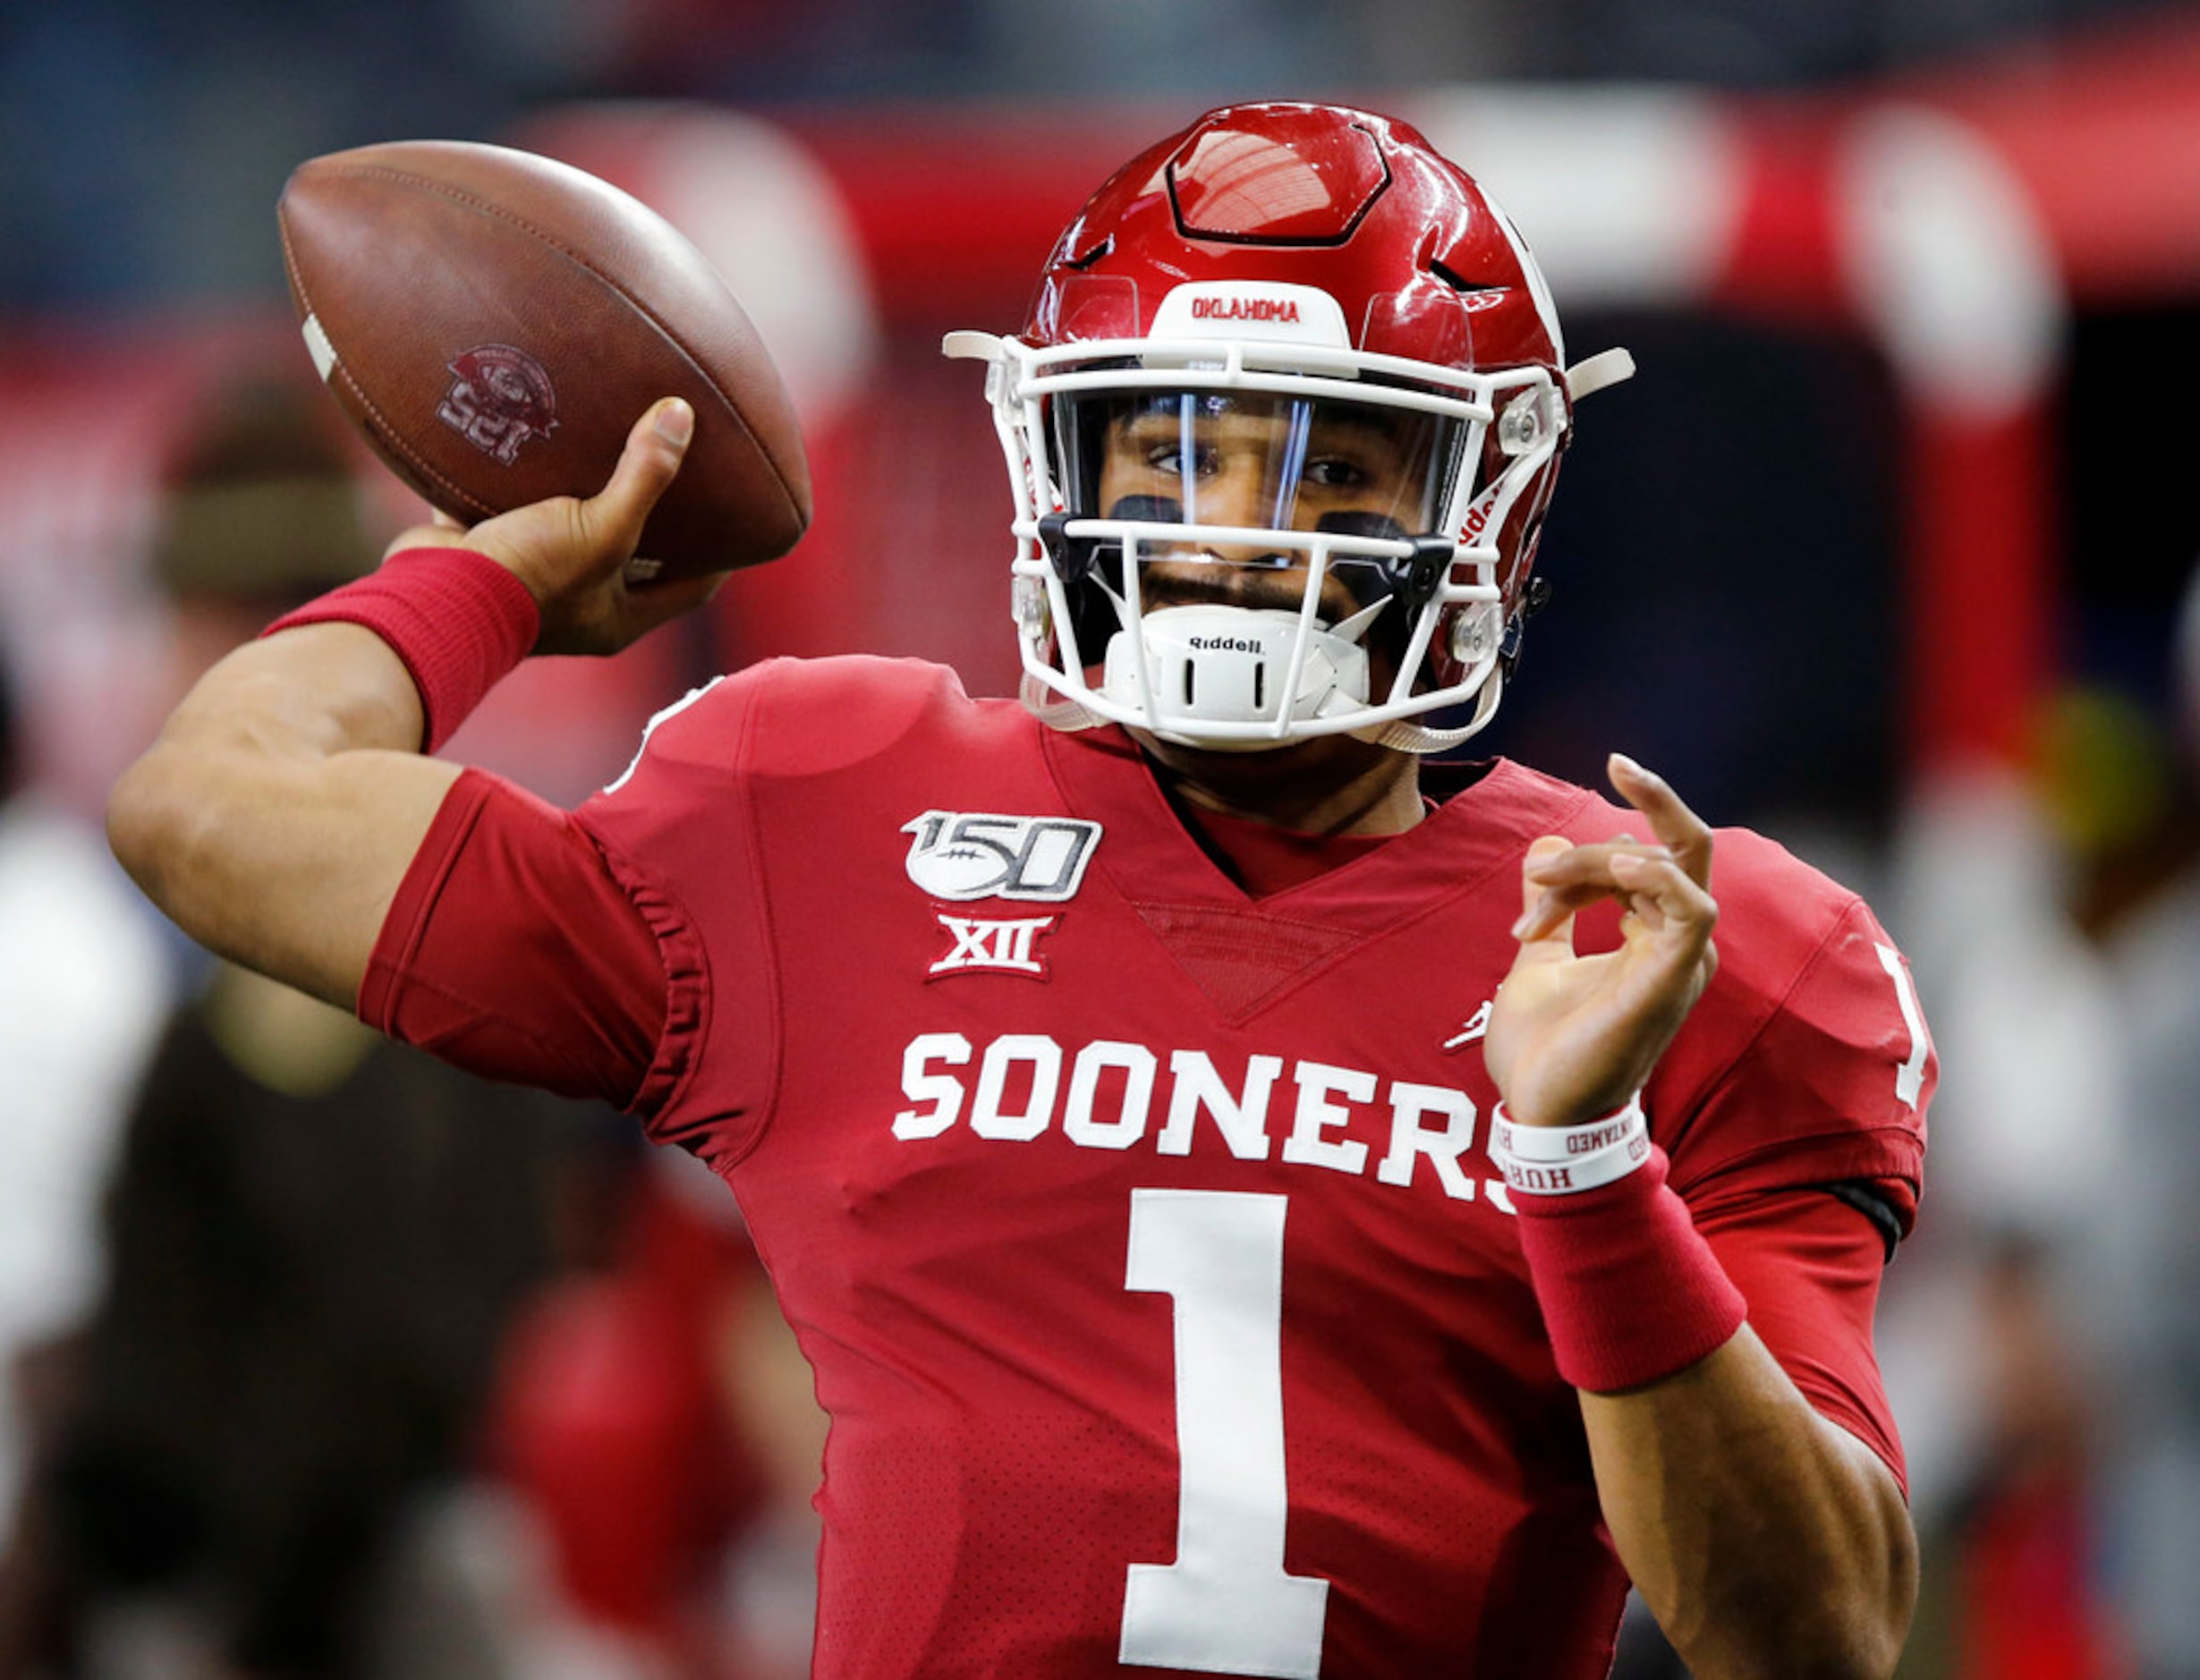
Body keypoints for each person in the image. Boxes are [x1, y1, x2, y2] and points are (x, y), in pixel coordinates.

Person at [106, 102, 1932, 1679]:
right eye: (1171, 449)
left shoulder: (1682, 952)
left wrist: (1587, 1164)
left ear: (1485, 504)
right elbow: (216, 811)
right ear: (1056, 457)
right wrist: (486, 583)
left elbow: (1814, 1633)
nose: (1228, 531)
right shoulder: (822, 814)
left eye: (1328, 463)